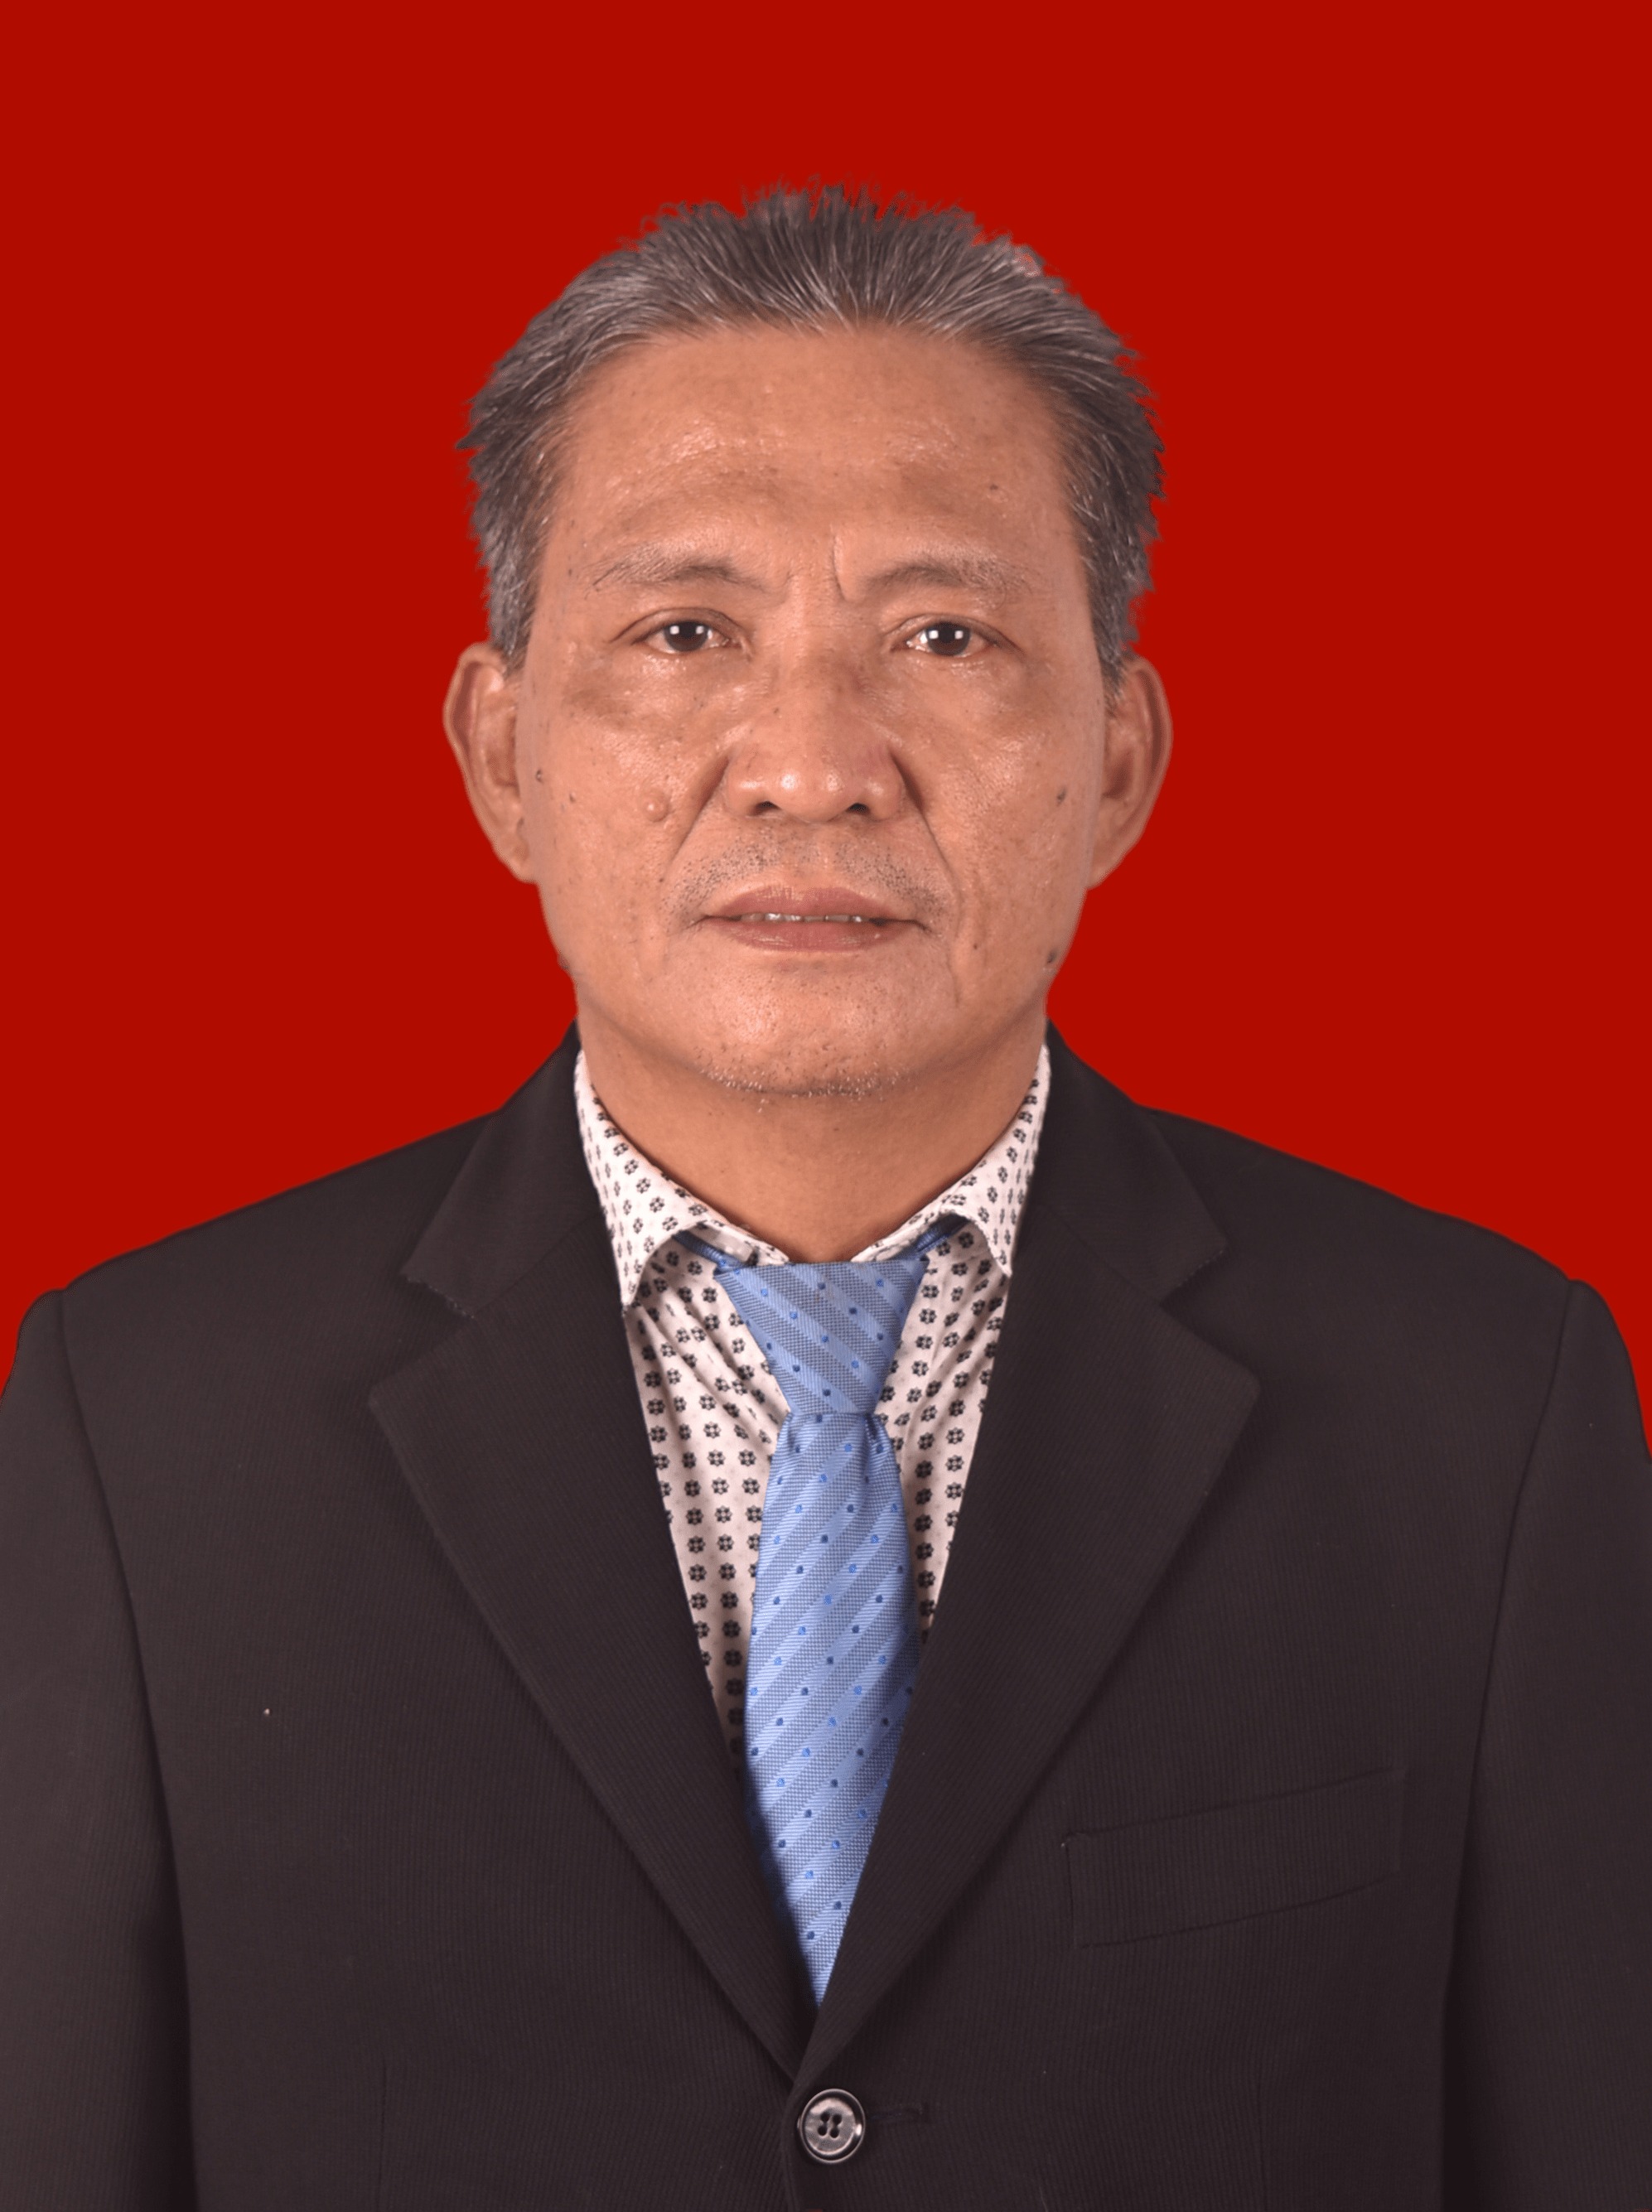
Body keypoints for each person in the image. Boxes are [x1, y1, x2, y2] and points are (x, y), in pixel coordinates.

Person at [2, 187, 1648, 2212]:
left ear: (1116, 760)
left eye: (943, 635)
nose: (808, 763)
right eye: (685, 632)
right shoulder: (142, 1422)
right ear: (503, 757)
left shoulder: (1480, 1406)